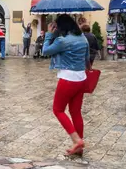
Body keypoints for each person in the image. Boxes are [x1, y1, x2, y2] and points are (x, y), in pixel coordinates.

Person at [42, 15, 90, 156]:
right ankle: (79, 148)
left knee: (58, 110)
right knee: (76, 112)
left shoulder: (62, 41)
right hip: (81, 78)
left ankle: (76, 140)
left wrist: (49, 34)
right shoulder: (83, 38)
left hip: (68, 79)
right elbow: (87, 59)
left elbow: (45, 51)